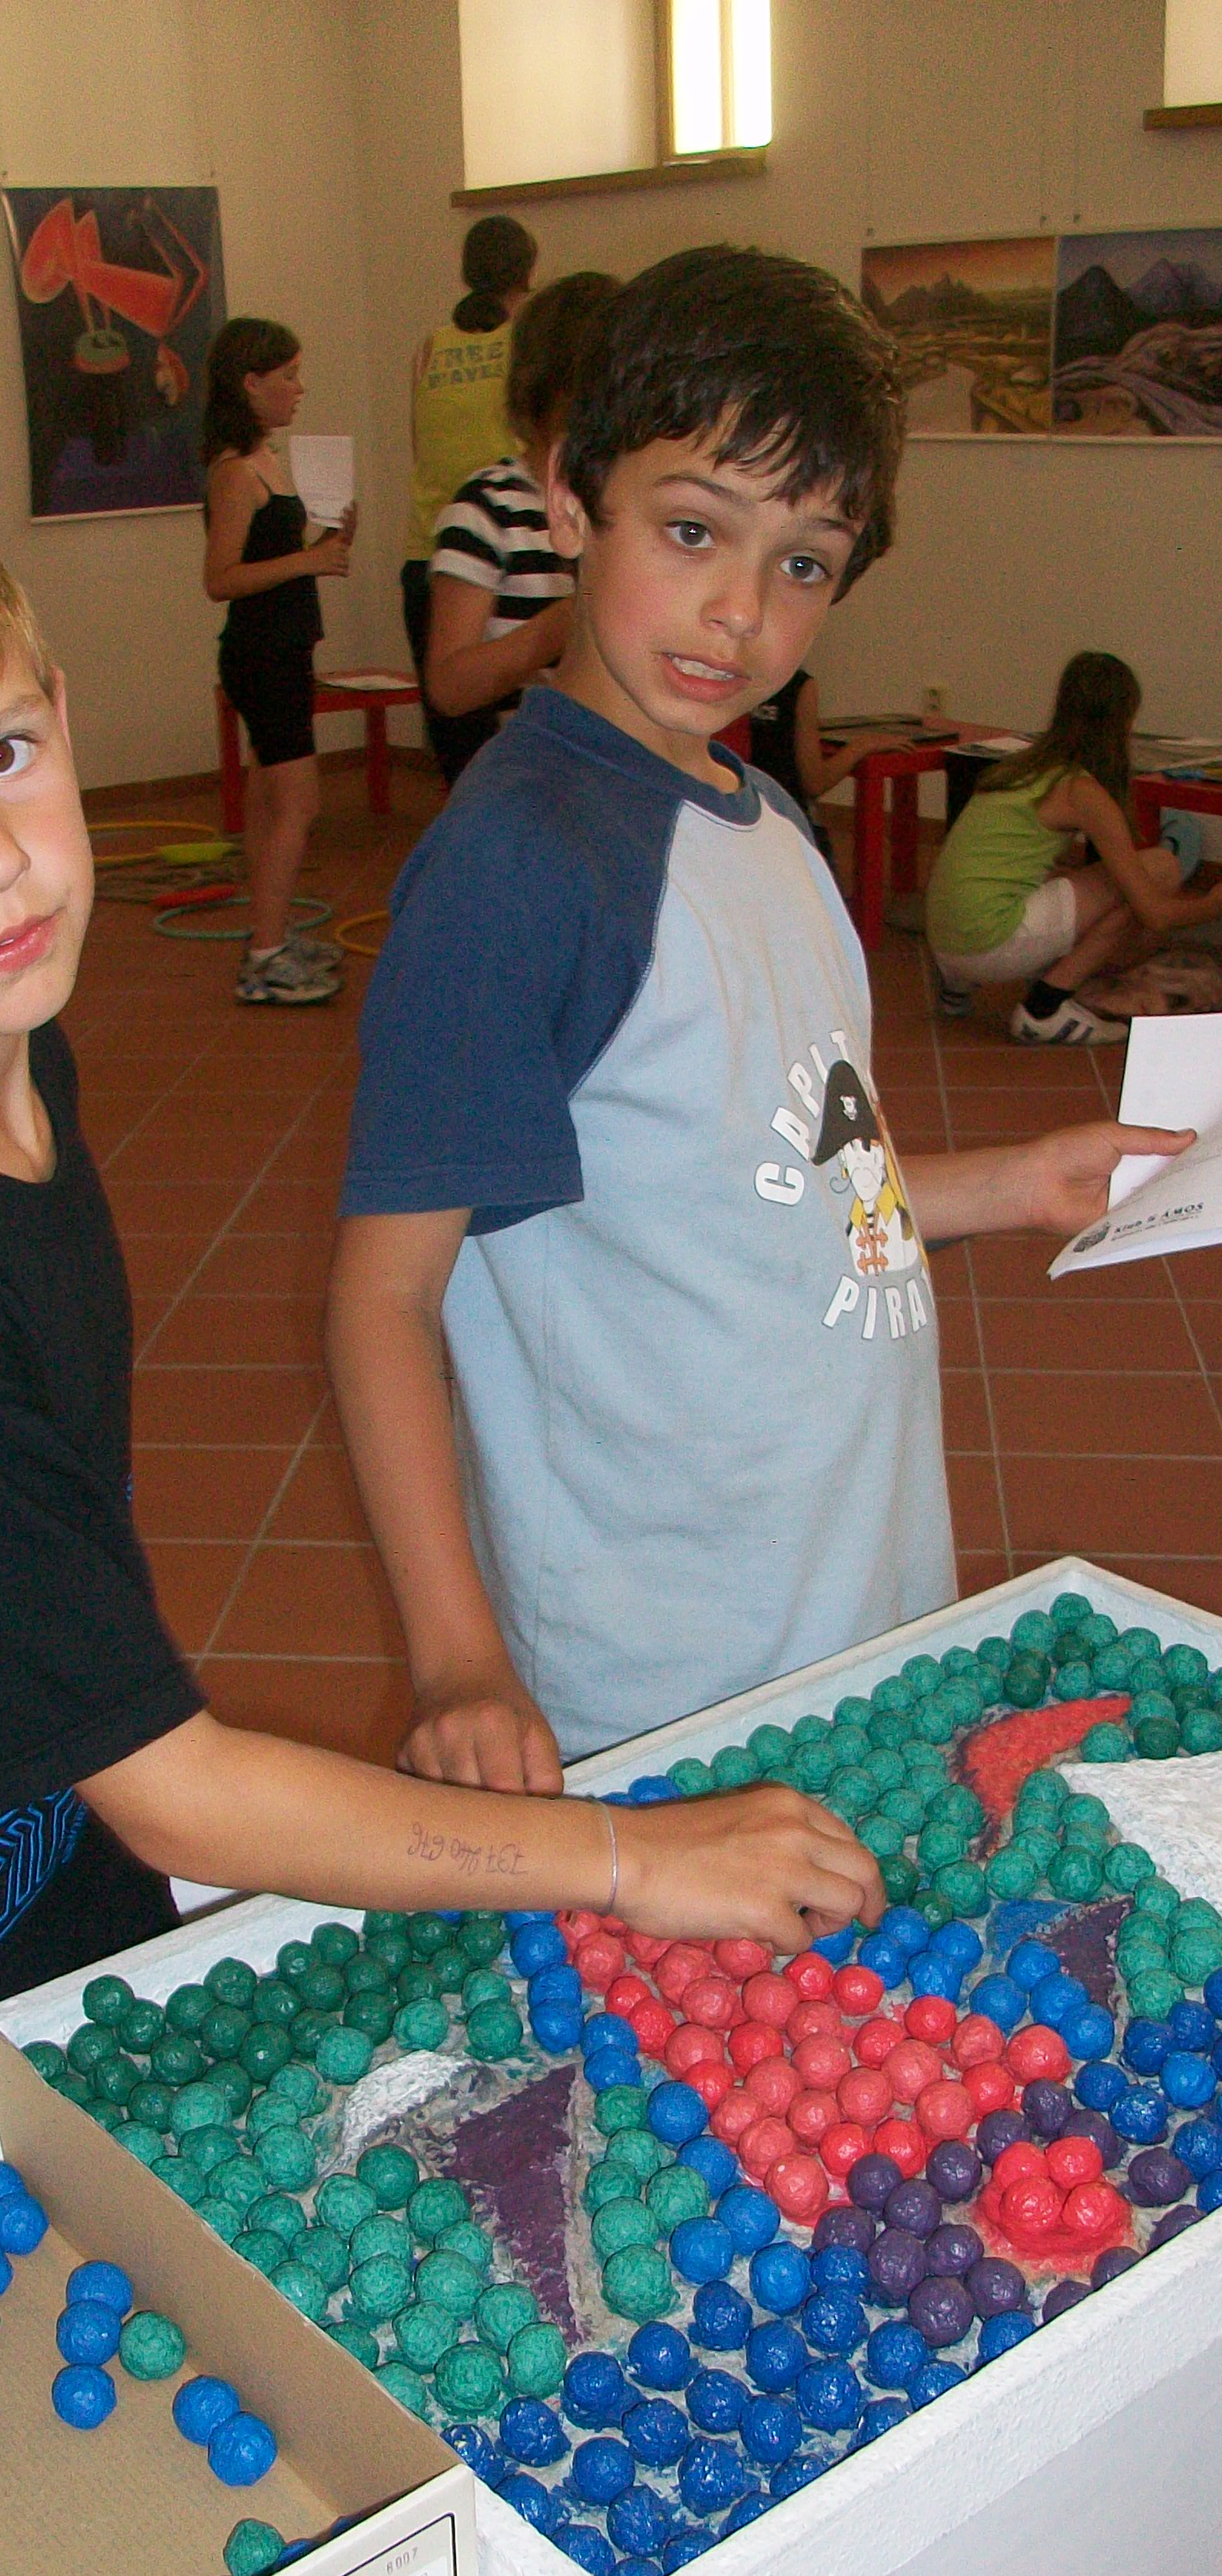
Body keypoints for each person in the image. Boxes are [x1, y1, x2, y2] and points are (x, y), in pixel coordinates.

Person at [0, 465, 892, 2130]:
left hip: (29, 1881)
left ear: (60, 710)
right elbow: (181, 1792)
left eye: (2, 753)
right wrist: (622, 1854)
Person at [326, 248, 1190, 1793]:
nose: (738, 613)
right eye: (690, 531)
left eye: (801, 563)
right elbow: (385, 1295)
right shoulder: (519, 865)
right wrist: (459, 1656)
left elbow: (789, 1188)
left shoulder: (768, 824)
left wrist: (1012, 1182)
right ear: (568, 496)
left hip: (850, 1592)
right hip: (660, 1663)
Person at [925, 650, 1220, 1045]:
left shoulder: (1021, 769)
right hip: (987, 944)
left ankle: (957, 987)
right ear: (1121, 722)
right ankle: (1044, 1007)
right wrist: (1212, 904)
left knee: (1076, 880)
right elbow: (1155, 914)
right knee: (1160, 869)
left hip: (945, 940)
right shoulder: (1081, 792)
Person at [202, 316, 352, 1006]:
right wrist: (308, 561)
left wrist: (327, 544)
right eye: (287, 376)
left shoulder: (266, 459)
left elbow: (280, 560)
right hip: (261, 656)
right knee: (299, 804)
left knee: (270, 804)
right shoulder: (236, 472)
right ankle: (265, 958)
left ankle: (271, 936)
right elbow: (221, 579)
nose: (299, 388)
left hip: (283, 650)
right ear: (251, 383)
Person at [424, 273, 619, 783]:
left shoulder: (636, 506)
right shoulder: (488, 507)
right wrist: (572, 618)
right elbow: (449, 688)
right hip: (532, 785)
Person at [401, 214, 538, 785]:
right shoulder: (524, 343)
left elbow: (421, 449)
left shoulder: (431, 349)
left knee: (457, 751)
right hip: (501, 556)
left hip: (426, 553)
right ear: (526, 273)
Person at [743, 667, 904, 861]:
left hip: (744, 817)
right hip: (787, 822)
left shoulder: (743, 679)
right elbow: (815, 782)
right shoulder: (800, 685)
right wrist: (861, 746)